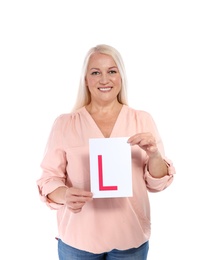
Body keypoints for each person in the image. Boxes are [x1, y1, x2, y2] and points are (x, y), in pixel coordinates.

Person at [37, 44, 175, 260]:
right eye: (95, 72)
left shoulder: (142, 119)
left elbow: (156, 183)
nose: (104, 79)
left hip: (130, 239)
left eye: (112, 71)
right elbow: (48, 179)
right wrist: (65, 195)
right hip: (78, 241)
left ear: (121, 77)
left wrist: (155, 155)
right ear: (85, 80)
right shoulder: (65, 124)